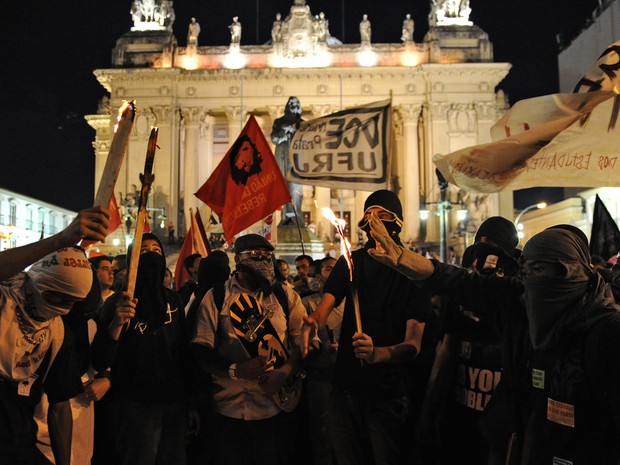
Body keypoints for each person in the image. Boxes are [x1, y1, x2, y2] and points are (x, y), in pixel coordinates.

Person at [368, 216, 620, 465]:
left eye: (539, 269)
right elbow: (459, 282)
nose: (530, 281)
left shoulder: (606, 333)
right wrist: (402, 258)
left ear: (569, 271)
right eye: (526, 271)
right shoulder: (519, 301)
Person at [302, 189, 430, 465]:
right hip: (345, 388)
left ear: (396, 222)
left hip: (388, 394)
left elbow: (414, 345)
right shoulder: (352, 262)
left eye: (381, 216)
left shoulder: (414, 272)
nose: (372, 222)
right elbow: (326, 306)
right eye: (368, 216)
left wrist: (378, 354)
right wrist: (313, 322)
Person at [192, 234, 317, 465]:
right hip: (228, 409)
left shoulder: (284, 296)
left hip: (274, 407)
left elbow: (304, 342)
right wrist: (237, 370)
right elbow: (201, 351)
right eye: (256, 256)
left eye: (267, 255)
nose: (263, 261)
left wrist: (286, 371)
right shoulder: (217, 298)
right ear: (239, 260)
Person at [0, 207, 108, 465]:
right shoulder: (5, 301)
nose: (60, 308)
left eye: (70, 303)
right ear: (38, 285)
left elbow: (60, 405)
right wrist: (61, 239)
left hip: (19, 447)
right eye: (55, 298)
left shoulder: (57, 331)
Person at [422, 217, 520, 465]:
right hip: (459, 406)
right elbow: (447, 346)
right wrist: (431, 402)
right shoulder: (462, 289)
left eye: (494, 246)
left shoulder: (515, 290)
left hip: (501, 410)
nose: (486, 254)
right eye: (481, 244)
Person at [93, 233, 188, 465]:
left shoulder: (173, 301)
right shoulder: (117, 303)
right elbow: (101, 358)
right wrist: (117, 323)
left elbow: (182, 350)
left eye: (157, 251)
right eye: (144, 252)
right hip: (136, 404)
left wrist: (190, 401)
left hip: (173, 401)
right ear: (132, 260)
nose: (152, 255)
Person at [301, 256, 343, 465]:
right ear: (318, 275)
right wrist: (319, 346)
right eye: (328, 269)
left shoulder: (354, 301)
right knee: (322, 431)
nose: (334, 273)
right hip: (321, 375)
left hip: (347, 376)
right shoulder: (308, 304)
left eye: (337, 269)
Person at [271, 96, 304, 225]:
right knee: (283, 186)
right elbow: (274, 139)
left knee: (295, 187)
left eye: (296, 103)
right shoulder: (279, 122)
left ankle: (295, 215)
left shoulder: (303, 123)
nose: (293, 106)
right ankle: (286, 217)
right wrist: (284, 132)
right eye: (291, 103)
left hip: (297, 159)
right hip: (283, 155)